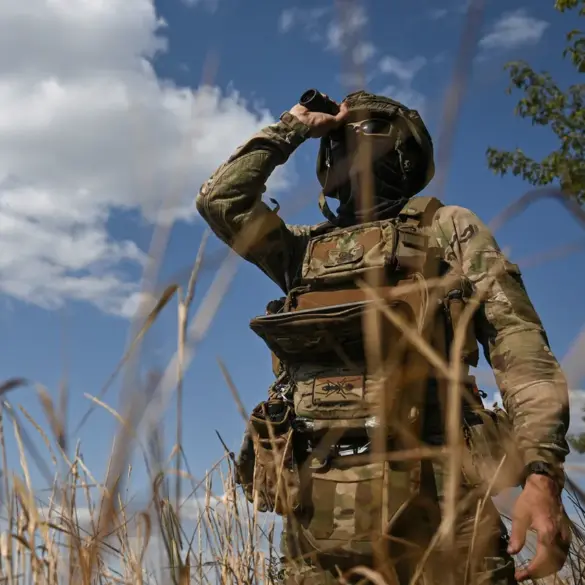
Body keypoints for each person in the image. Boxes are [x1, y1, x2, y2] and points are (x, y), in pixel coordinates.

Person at [195, 90, 571, 584]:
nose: (352, 143)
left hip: (442, 497)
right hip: (317, 506)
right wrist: (293, 126)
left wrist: (543, 472)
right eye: (342, 135)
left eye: (366, 130)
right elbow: (220, 200)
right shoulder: (303, 250)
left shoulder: (447, 228)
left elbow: (520, 347)